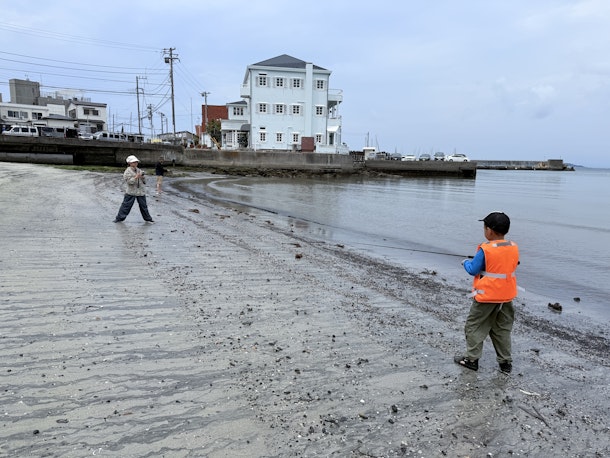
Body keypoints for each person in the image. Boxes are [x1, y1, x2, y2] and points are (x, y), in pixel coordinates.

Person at [455, 212, 519, 373]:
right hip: (506, 297)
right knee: (502, 329)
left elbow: (473, 269)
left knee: (474, 326)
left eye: (484, 227)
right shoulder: (513, 246)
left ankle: (471, 360)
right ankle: (505, 363)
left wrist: (465, 262)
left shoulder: (486, 249)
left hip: (486, 296)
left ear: (489, 230)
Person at [113, 155, 154, 223]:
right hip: (131, 191)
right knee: (126, 205)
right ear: (129, 163)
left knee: (143, 206)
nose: (135, 163)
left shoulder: (139, 170)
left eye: (136, 162)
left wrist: (142, 177)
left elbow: (145, 182)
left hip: (140, 191)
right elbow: (129, 182)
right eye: (134, 162)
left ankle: (148, 218)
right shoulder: (127, 171)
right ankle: (119, 218)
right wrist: (136, 177)